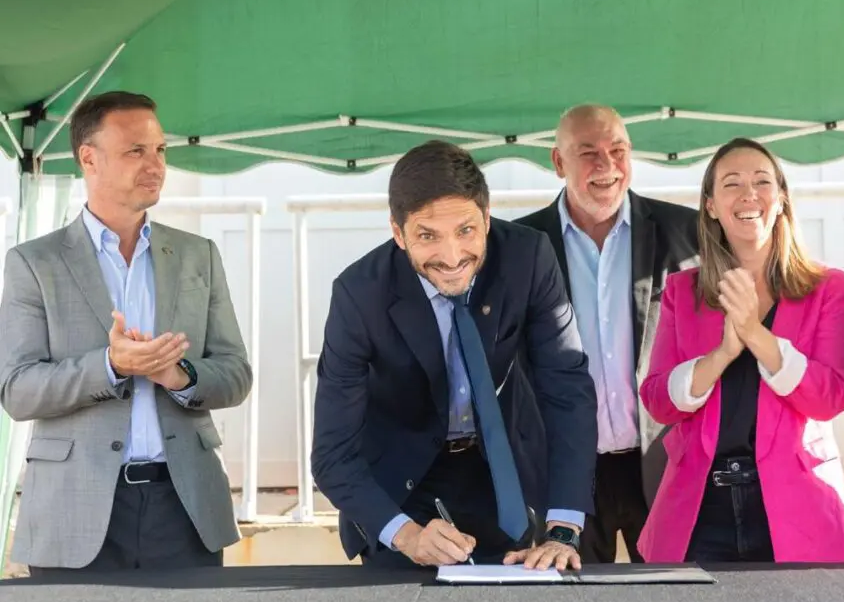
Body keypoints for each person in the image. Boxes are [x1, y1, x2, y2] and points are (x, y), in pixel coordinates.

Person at [311, 139, 598, 571]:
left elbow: (567, 389)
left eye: (466, 230)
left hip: (502, 476)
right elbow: (333, 453)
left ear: (486, 217)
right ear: (397, 232)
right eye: (427, 235)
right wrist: (404, 535)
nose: (451, 257)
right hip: (400, 489)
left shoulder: (529, 258)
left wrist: (562, 527)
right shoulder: (358, 295)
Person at [0, 92, 252, 575]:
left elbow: (237, 374)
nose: (154, 164)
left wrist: (181, 376)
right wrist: (111, 366)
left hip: (186, 508)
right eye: (135, 150)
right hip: (73, 512)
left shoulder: (199, 256)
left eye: (160, 150)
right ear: (88, 159)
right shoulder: (35, 263)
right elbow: (18, 390)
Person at [635, 137, 844, 564]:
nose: (749, 195)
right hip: (699, 513)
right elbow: (658, 403)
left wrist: (755, 335)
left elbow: (830, 397)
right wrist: (723, 352)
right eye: (731, 184)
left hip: (798, 510)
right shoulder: (682, 292)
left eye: (762, 182)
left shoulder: (833, 290)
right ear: (710, 205)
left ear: (781, 199)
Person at [516, 104, 698, 564]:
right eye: (588, 153)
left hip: (660, 461)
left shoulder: (688, 232)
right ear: (558, 163)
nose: (608, 166)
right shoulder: (519, 246)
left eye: (618, 150)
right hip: (565, 471)